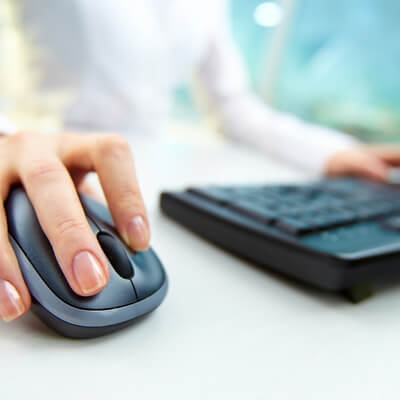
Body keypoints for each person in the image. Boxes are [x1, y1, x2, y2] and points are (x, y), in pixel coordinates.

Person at [0, 0, 399, 323]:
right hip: (45, 165)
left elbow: (233, 106)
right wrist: (5, 138)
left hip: (142, 184)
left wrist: (334, 152)